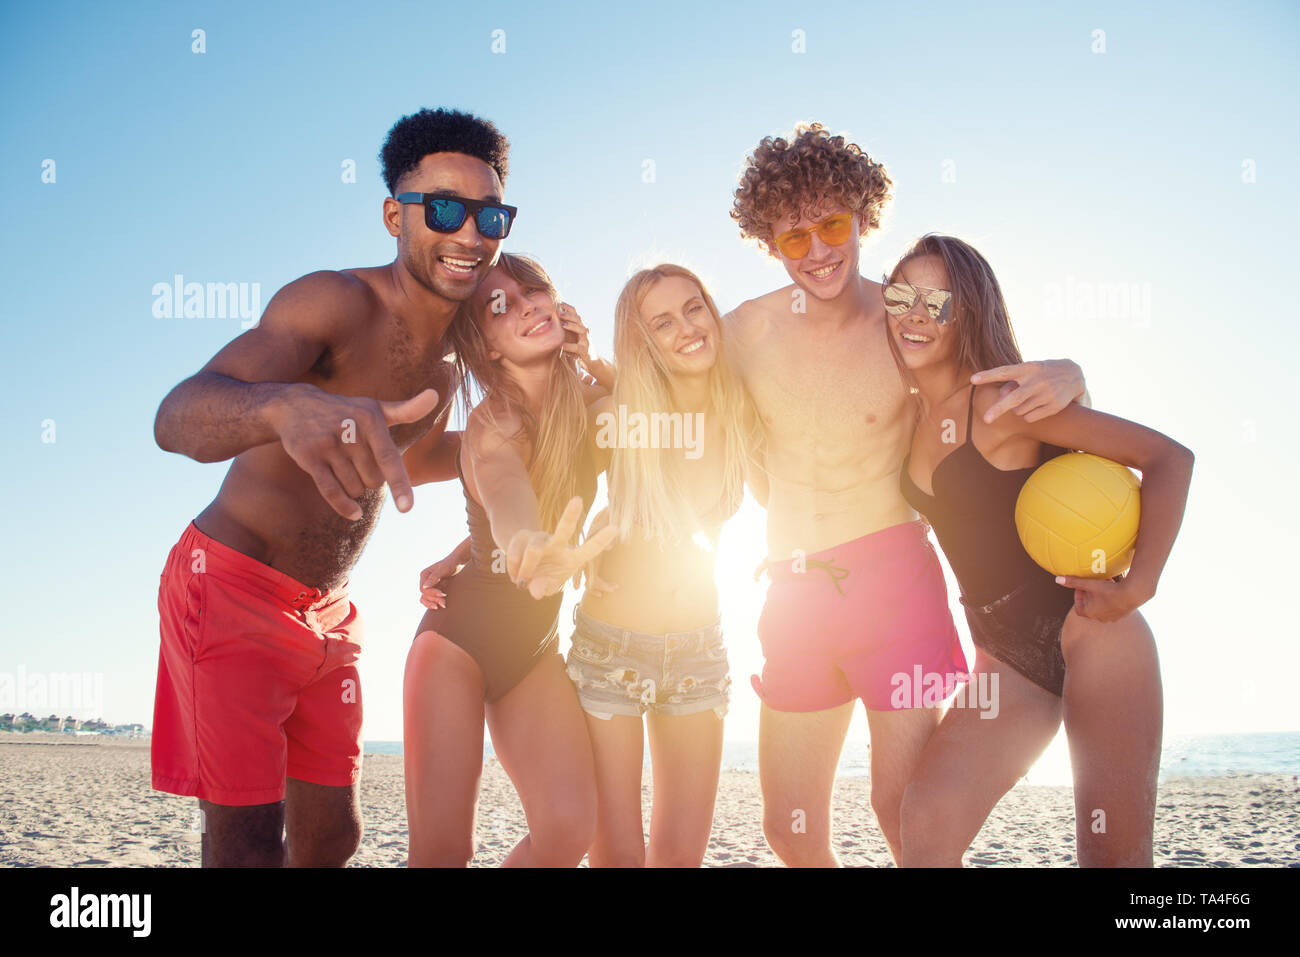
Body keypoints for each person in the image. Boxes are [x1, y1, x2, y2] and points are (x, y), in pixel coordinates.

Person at [151, 107, 512, 867]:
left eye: (491, 214)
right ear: (395, 214)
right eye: (444, 209)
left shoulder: (449, 362)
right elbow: (176, 417)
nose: (471, 234)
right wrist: (282, 407)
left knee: (334, 836)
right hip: (230, 587)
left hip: (329, 612)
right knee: (247, 844)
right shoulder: (332, 303)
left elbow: (404, 460)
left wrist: (514, 443)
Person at [724, 122, 1088, 866]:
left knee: (903, 814)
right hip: (791, 591)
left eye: (832, 224)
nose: (818, 250)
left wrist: (1073, 370)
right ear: (768, 243)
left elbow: (996, 368)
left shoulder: (903, 324)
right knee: (787, 830)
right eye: (793, 237)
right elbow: (661, 386)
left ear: (864, 213)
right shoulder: (741, 334)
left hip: (895, 584)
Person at [886, 234, 1192, 866]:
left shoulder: (1000, 402)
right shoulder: (911, 411)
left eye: (937, 301)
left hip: (1094, 634)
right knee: (926, 818)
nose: (916, 313)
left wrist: (1139, 586)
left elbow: (1168, 459)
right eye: (901, 295)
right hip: (1004, 660)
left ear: (968, 311)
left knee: (1111, 858)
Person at [404, 253, 618, 867]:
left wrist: (596, 359)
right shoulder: (490, 424)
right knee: (445, 852)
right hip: (456, 646)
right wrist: (525, 545)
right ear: (487, 350)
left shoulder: (593, 406)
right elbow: (506, 493)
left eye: (533, 291)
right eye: (499, 306)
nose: (525, 305)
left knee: (569, 830)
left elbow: (660, 418)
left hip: (534, 648)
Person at [563, 264, 760, 867]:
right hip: (610, 651)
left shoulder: (746, 401)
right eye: (662, 322)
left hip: (700, 653)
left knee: (680, 860)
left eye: (694, 308)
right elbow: (546, 487)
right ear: (644, 339)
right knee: (617, 857)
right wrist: (467, 551)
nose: (687, 328)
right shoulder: (618, 411)